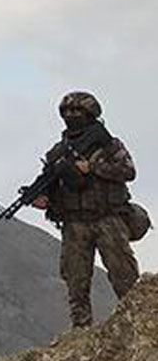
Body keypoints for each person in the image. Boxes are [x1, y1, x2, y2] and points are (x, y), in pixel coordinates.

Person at [32, 92, 140, 328]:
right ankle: (81, 330)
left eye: (77, 111)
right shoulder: (58, 152)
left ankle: (137, 323)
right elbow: (51, 184)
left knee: (123, 274)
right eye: (67, 112)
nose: (71, 116)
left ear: (90, 115)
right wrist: (44, 198)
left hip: (107, 219)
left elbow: (128, 171)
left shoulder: (108, 145)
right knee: (75, 279)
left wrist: (92, 166)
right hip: (74, 224)